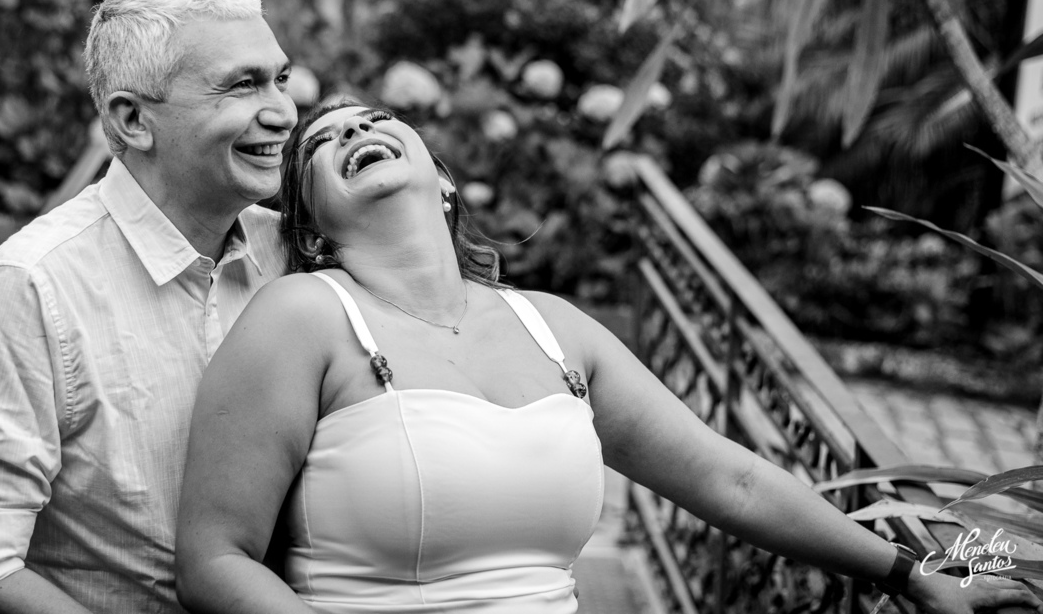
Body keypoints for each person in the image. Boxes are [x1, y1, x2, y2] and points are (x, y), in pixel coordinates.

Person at [175, 100, 1042, 614]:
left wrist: (918, 569)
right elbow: (214, 559)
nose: (355, 127)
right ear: (314, 228)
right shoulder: (302, 316)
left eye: (374, 119)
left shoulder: (556, 327)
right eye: (325, 141)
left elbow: (731, 478)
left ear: (442, 179)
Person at [0, 0, 298, 614]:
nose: (283, 111)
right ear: (133, 120)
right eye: (242, 85)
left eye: (280, 78)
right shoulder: (34, 287)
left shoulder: (289, 252)